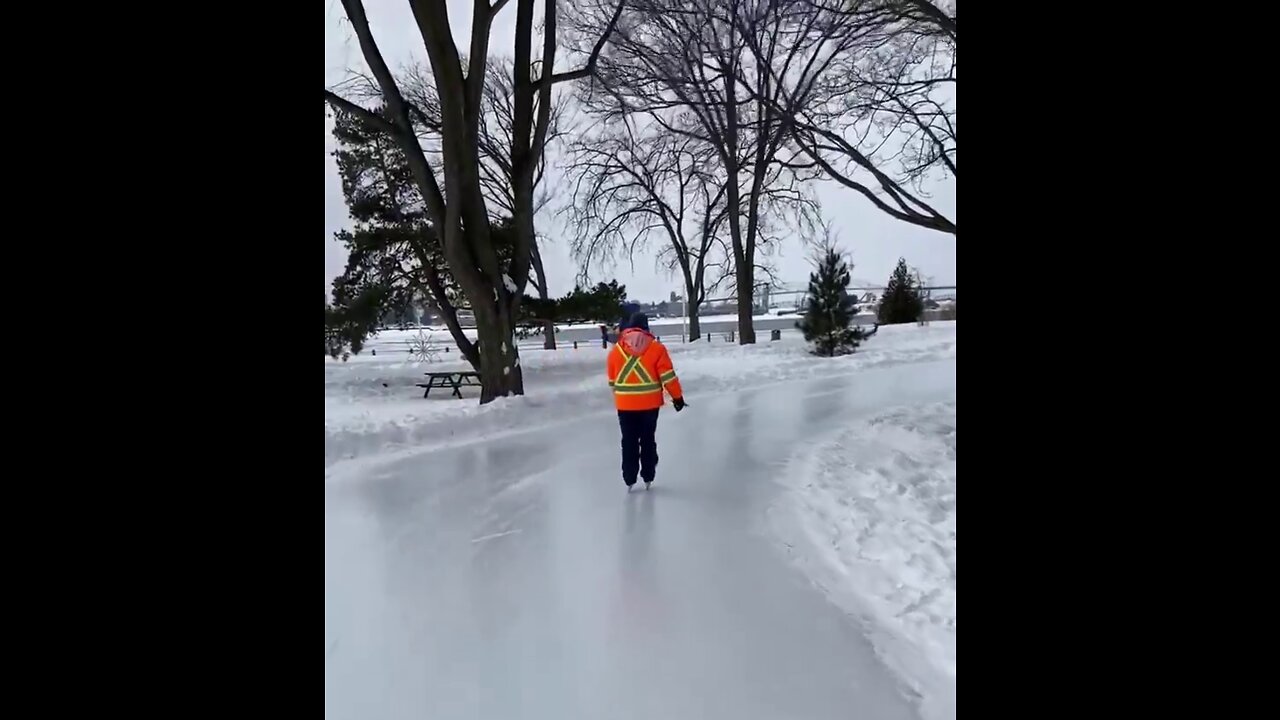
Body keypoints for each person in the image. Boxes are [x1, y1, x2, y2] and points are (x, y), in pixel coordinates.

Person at [606, 313, 687, 490]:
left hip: (625, 405)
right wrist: (677, 398)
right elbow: (668, 377)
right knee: (647, 439)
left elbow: (612, 382)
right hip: (649, 405)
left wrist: (623, 395)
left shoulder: (616, 351)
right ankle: (648, 475)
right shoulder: (657, 349)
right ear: (646, 328)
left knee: (628, 440)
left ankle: (629, 477)